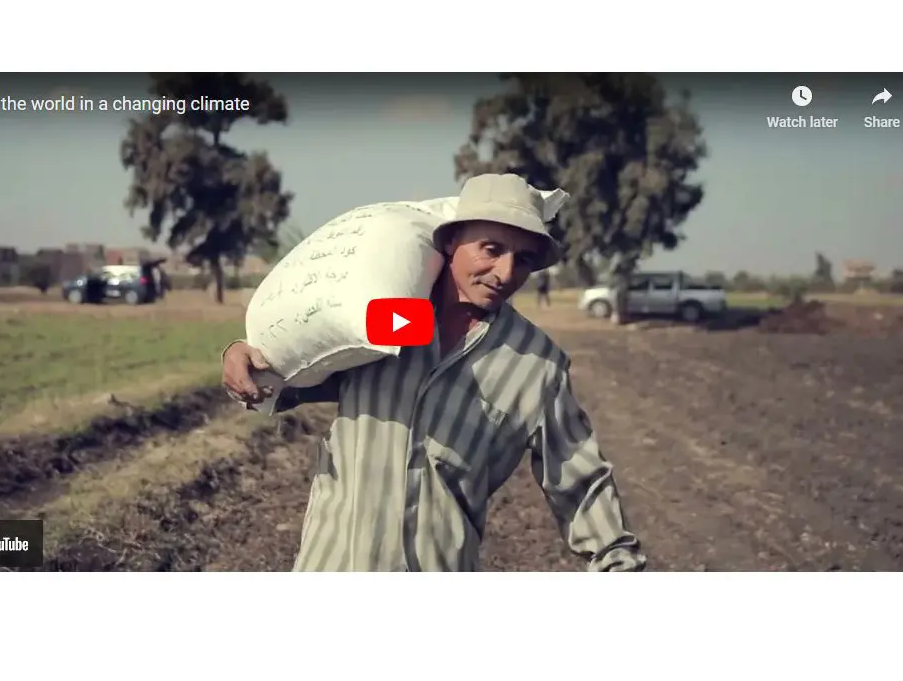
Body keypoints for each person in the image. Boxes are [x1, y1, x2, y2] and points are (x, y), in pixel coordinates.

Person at [222, 173, 646, 572]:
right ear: (451, 242)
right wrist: (247, 357)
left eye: (523, 260)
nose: (505, 273)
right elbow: (305, 375)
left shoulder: (537, 365)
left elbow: (581, 482)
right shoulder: (386, 319)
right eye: (492, 249)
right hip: (332, 564)